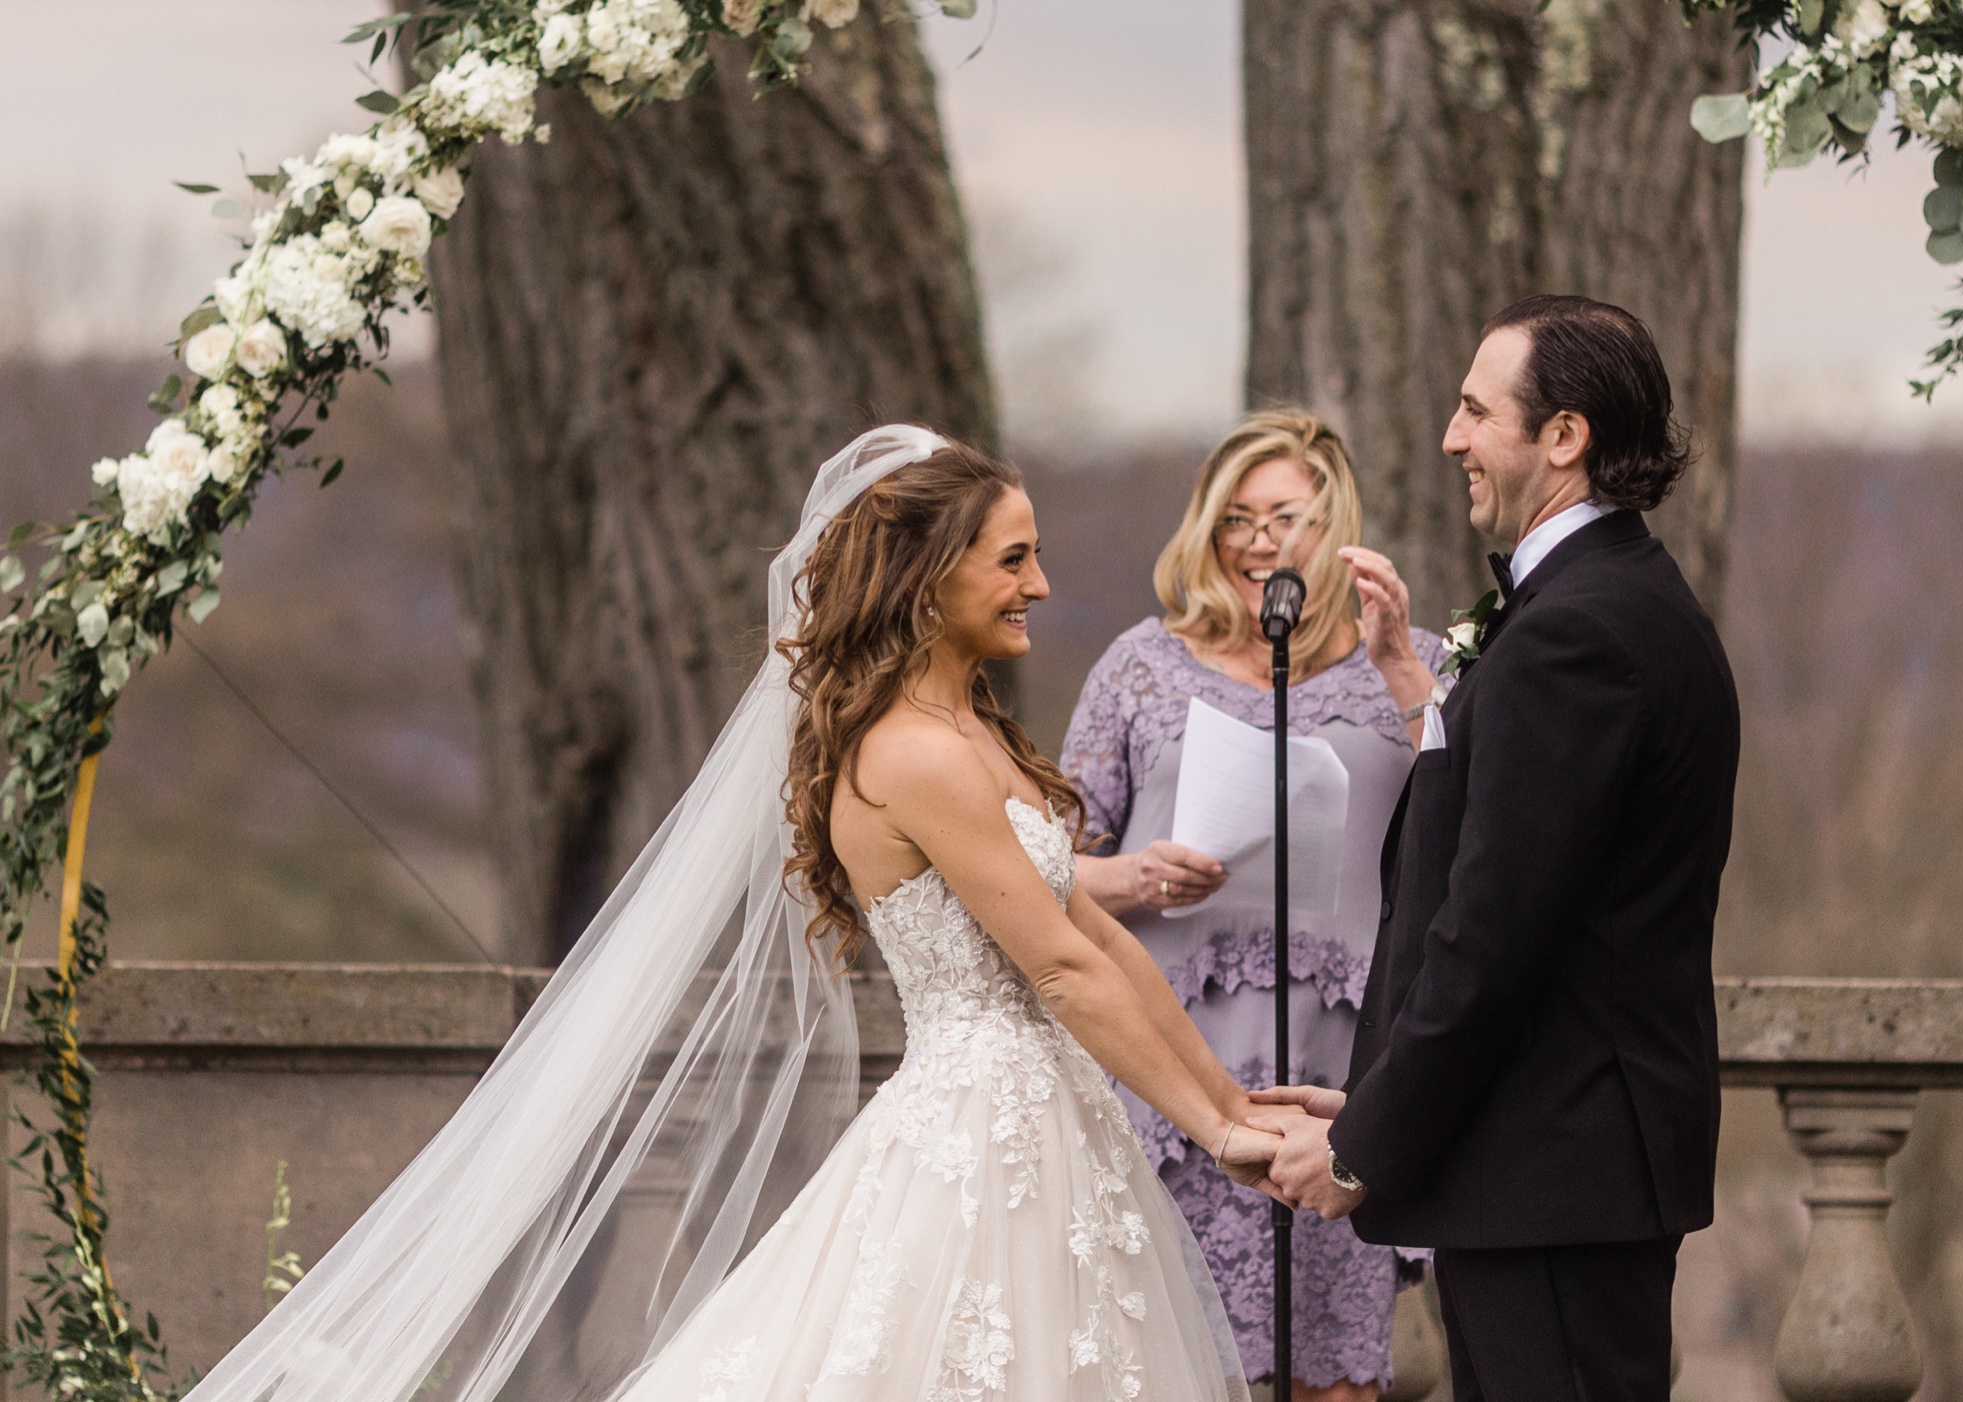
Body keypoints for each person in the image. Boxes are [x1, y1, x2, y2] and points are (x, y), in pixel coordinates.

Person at [180, 428, 1274, 1402]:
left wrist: (1232, 1105)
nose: (1041, 583)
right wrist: (1212, 1127)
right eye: (1013, 558)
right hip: (982, 1135)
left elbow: (1097, 931)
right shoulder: (917, 754)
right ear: (932, 577)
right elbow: (1063, 971)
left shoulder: (977, 732)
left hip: (1053, 1117)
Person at [1250, 297, 1741, 1401]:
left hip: (1554, 1173)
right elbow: (1500, 849)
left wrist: (1365, 1140)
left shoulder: (1577, 634)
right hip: (1549, 1167)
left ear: (1564, 436)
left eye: (1477, 411)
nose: (1451, 437)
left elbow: (1492, 934)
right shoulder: (1606, 606)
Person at [1059, 409, 1445, 1401]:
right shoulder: (1139, 668)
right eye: (1234, 518)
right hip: (1175, 1080)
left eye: (1284, 516)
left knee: (1336, 1385)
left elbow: (1481, 820)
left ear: (1334, 527)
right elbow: (1040, 870)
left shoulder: (1411, 662)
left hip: (1339, 1087)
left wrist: (1403, 662)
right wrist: (1138, 876)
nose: (1258, 541)